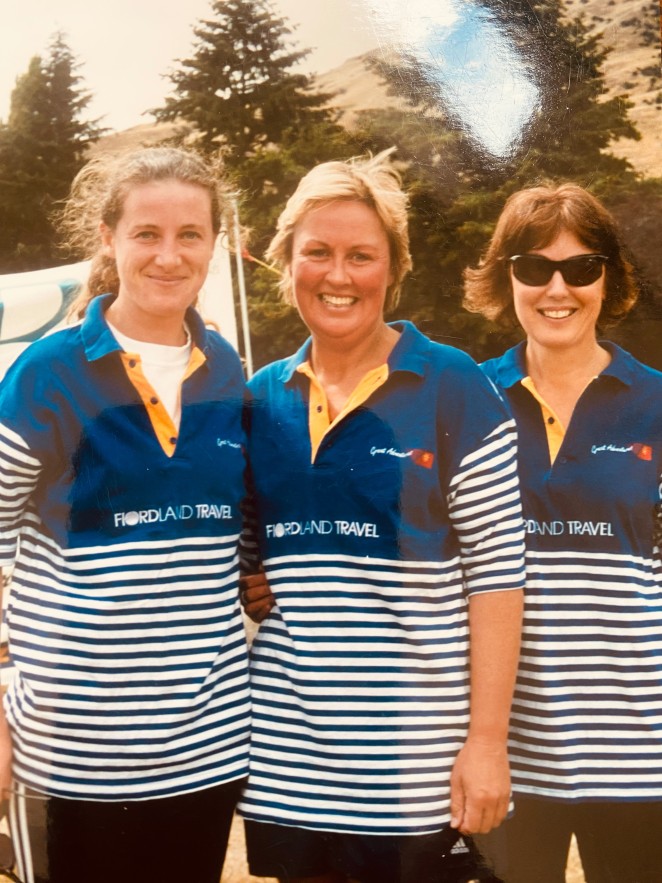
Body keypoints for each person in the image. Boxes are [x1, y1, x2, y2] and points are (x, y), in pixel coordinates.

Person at [238, 150, 526, 883]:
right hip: (289, 773)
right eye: (319, 253)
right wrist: (247, 575)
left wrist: (487, 742)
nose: (339, 275)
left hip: (417, 781)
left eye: (361, 255)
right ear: (287, 263)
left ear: (391, 268)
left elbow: (498, 576)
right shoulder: (258, 399)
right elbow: (232, 547)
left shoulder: (454, 384)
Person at [0, 146, 251, 883]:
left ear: (215, 243)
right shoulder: (49, 373)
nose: (168, 255)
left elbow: (233, 533)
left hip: (206, 753)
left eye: (190, 234)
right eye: (146, 233)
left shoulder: (229, 371)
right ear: (108, 238)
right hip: (72, 760)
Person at [463, 183, 662, 883]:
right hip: (502, 759)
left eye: (581, 268)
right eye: (533, 266)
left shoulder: (658, 403)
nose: (558, 287)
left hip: (643, 757)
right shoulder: (464, 402)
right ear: (503, 276)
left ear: (608, 277)